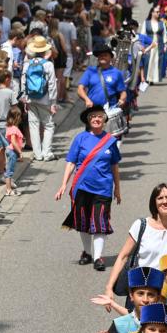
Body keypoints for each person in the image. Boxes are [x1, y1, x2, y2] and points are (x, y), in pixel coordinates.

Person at [55, 104, 122, 270]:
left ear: (105, 119)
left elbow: (114, 166)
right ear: (88, 120)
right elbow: (71, 162)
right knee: (83, 222)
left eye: (100, 116)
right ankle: (87, 252)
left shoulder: (110, 141)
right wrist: (63, 184)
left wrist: (117, 189)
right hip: (82, 187)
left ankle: (98, 258)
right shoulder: (80, 138)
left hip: (103, 189)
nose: (97, 119)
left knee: (100, 222)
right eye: (93, 117)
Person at [102, 183, 167, 297]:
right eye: (160, 198)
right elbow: (123, 257)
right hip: (141, 292)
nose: (165, 201)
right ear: (154, 203)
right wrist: (109, 288)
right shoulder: (140, 225)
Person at [20, 35, 58, 162]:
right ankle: (46, 152)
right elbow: (52, 84)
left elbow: (23, 82)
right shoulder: (48, 65)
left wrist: (24, 98)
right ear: (44, 51)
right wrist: (53, 102)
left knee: (33, 125)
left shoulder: (27, 64)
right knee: (48, 125)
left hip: (31, 99)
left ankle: (37, 154)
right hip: (45, 99)